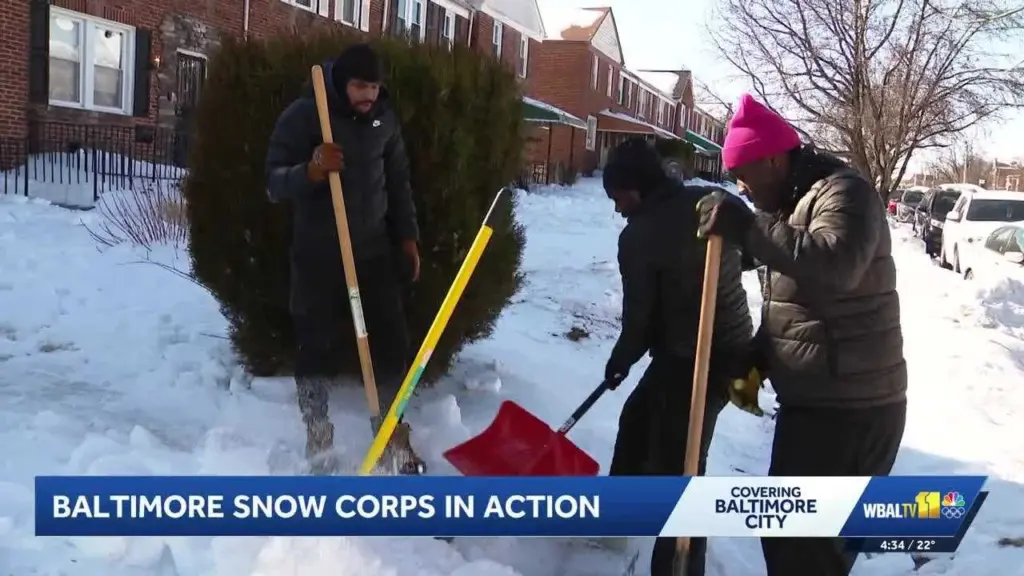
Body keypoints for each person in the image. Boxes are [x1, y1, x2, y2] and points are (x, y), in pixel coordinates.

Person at [695, 94, 907, 576]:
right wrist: (758, 358)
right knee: (793, 544)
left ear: (773, 159)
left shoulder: (845, 194)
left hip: (852, 411)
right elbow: (802, 308)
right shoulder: (791, 208)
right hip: (816, 405)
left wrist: (748, 227)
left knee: (805, 552)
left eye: (744, 173)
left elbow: (836, 266)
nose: (740, 186)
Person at [265, 43, 423, 475]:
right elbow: (273, 182)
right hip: (318, 255)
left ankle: (391, 433)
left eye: (375, 86)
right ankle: (318, 434)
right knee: (314, 345)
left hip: (372, 252)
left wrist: (407, 237)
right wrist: (311, 170)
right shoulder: (306, 114)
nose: (369, 95)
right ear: (342, 82)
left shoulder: (383, 118)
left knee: (392, 343)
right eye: (360, 86)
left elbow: (398, 181)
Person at [601, 138, 756, 576]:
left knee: (681, 463)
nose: (617, 208)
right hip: (728, 354)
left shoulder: (639, 237)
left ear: (637, 188)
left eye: (618, 198)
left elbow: (639, 320)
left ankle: (678, 566)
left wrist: (620, 360)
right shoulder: (710, 202)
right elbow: (752, 253)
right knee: (637, 421)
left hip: (703, 356)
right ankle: (618, 518)